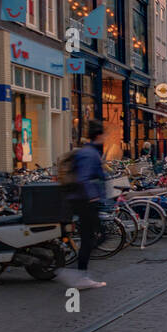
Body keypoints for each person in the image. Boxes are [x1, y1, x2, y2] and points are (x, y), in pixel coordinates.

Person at [64, 120, 108, 290]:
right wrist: (93, 198)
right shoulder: (90, 154)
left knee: (93, 236)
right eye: (103, 135)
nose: (105, 138)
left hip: (84, 200)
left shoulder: (88, 152)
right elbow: (84, 178)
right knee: (94, 236)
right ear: (98, 135)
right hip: (86, 202)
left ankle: (78, 272)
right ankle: (78, 273)